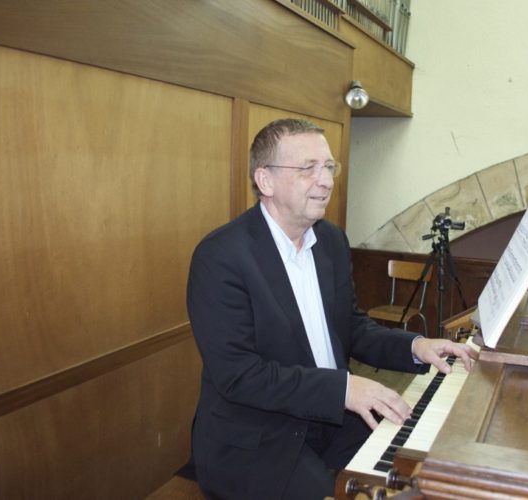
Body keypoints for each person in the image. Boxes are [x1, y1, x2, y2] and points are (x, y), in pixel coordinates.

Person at [186, 118, 477, 499]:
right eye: (308, 169)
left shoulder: (331, 241)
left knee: (418, 466)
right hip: (255, 437)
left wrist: (416, 347)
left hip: (330, 419)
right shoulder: (221, 256)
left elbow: (351, 329)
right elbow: (240, 375)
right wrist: (342, 389)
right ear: (265, 181)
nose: (325, 180)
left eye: (328, 167)